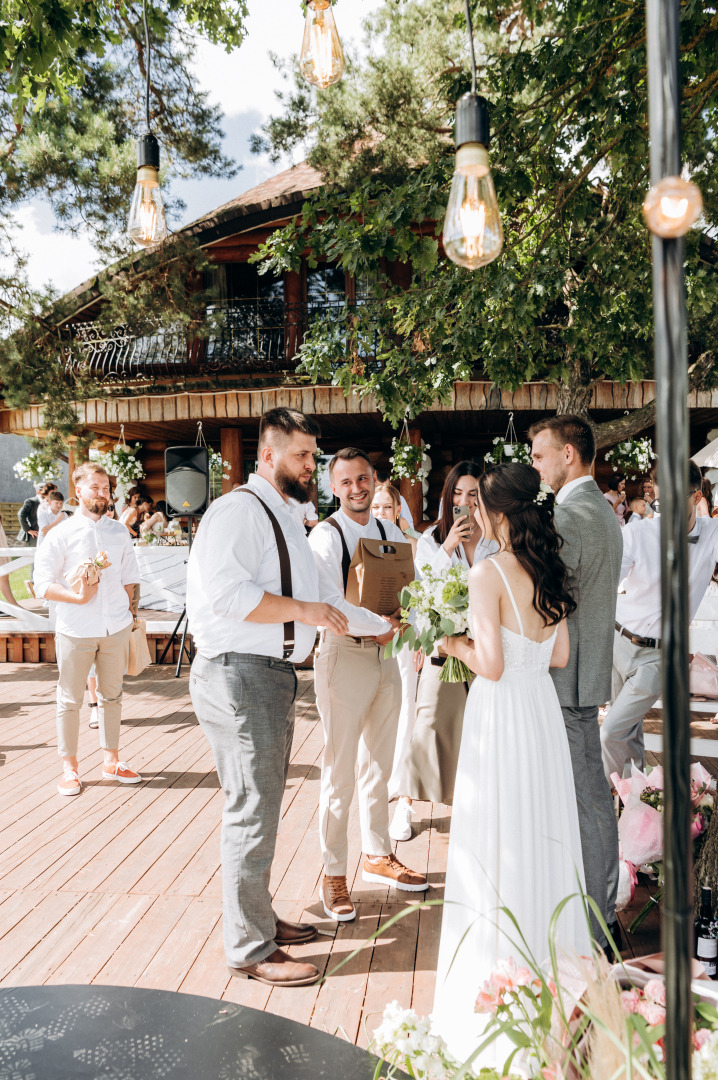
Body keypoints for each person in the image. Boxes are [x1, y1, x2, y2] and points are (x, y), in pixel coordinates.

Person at [431, 463, 590, 1068]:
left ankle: (497, 998)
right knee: (543, 836)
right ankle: (555, 999)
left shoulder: (486, 572)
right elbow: (562, 655)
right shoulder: (549, 570)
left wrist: (445, 641)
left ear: (495, 514)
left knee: (495, 841)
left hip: (500, 718)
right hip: (541, 718)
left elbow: (490, 665)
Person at [186, 407, 348, 987]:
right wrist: (305, 612)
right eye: (303, 455)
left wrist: (382, 623)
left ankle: (258, 917)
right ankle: (249, 948)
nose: (313, 466)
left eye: (313, 455)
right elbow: (229, 595)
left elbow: (323, 599)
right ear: (268, 457)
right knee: (251, 810)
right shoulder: (237, 511)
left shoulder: (285, 516)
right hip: (239, 675)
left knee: (262, 807)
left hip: (267, 676)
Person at [309, 447, 428, 923]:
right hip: (345, 657)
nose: (356, 489)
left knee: (381, 764)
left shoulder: (389, 530)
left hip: (388, 656)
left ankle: (378, 854)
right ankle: (332, 871)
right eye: (346, 482)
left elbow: (411, 585)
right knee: (339, 772)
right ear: (332, 487)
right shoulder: (326, 534)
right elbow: (326, 600)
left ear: (374, 478)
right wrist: (379, 624)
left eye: (363, 479)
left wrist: (410, 623)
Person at [529, 414, 622, 952]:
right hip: (584, 673)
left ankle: (594, 920)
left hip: (565, 678)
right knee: (588, 795)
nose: (537, 466)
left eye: (541, 456)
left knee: (584, 801)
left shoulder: (571, 513)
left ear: (568, 453)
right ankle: (599, 909)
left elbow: (546, 595)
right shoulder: (601, 510)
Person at [390, 462, 497, 843]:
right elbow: (421, 590)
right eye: (457, 495)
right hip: (443, 647)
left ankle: (475, 807)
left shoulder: (496, 540)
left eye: (473, 495)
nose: (464, 502)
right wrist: (449, 545)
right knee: (427, 725)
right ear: (447, 498)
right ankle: (406, 803)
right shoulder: (433, 539)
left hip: (484, 652)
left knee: (479, 734)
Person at [601, 461, 718, 782]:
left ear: (696, 498)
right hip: (618, 642)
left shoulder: (712, 535)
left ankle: (609, 804)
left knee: (610, 731)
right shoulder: (638, 532)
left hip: (660, 656)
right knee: (629, 733)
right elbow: (609, 581)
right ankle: (638, 808)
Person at [33, 462, 142, 797]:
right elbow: (42, 585)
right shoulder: (60, 535)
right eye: (95, 487)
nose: (103, 493)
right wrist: (78, 598)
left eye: (107, 488)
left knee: (112, 696)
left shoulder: (119, 531)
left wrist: (131, 616)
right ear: (78, 490)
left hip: (116, 629)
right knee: (70, 699)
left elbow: (130, 579)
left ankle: (111, 760)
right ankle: (70, 768)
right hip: (75, 629)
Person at [370, 482, 423, 814]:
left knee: (406, 704)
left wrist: (417, 636)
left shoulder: (412, 544)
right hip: (369, 636)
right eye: (375, 508)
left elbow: (420, 592)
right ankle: (378, 774)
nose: (380, 514)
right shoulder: (364, 542)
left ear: (398, 510)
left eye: (386, 508)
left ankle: (402, 781)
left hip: (405, 633)